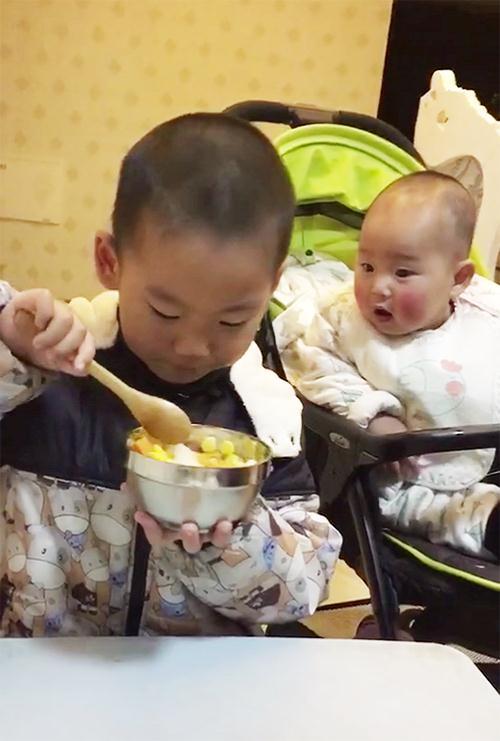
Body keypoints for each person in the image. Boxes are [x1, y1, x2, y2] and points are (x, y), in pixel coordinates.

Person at [0, 113, 341, 638]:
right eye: (165, 312)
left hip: (193, 680)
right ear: (109, 261)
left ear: (273, 284)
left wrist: (229, 541)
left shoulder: (264, 416)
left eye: (232, 320)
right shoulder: (53, 370)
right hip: (42, 665)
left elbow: (304, 585)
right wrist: (12, 350)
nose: (192, 346)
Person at [277, 171, 500, 560]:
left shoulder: (484, 315)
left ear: (459, 278)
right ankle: (488, 525)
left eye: (402, 273)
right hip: (404, 477)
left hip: (488, 455)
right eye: (366, 266)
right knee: (424, 506)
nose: (378, 286)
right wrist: (374, 412)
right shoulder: (340, 319)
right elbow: (315, 366)